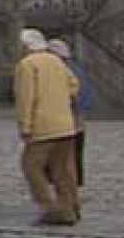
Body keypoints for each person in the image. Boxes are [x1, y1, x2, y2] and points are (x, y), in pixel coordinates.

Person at [13, 29, 81, 226]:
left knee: (31, 165)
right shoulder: (56, 61)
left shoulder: (27, 65)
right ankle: (70, 206)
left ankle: (50, 206)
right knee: (64, 169)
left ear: (26, 46)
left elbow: (26, 98)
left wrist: (25, 125)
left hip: (43, 125)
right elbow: (74, 85)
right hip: (66, 124)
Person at [47, 39, 95, 189]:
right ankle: (71, 182)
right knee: (72, 154)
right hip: (73, 121)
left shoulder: (67, 71)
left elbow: (80, 97)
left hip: (68, 121)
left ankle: (68, 184)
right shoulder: (74, 70)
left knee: (68, 154)